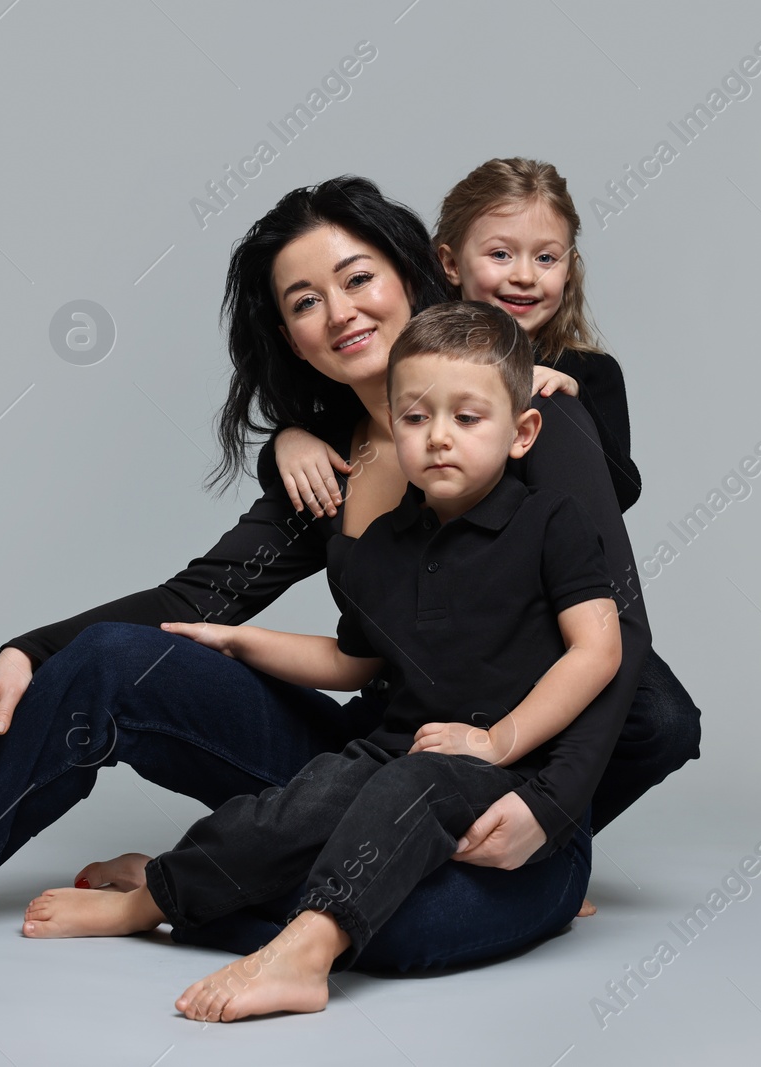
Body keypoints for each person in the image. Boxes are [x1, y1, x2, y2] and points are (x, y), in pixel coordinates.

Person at [0, 174, 684, 972]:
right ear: (283, 333)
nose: (338, 311)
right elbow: (197, 602)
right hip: (372, 758)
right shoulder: (321, 465)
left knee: (411, 933)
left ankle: (176, 888)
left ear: (415, 271)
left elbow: (617, 639)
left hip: (503, 785)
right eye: (303, 300)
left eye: (356, 276)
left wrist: (551, 812)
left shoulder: (530, 415)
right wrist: (30, 649)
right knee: (119, 660)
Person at [20, 301, 623, 1024]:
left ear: (522, 432)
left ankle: (309, 950)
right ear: (390, 425)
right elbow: (349, 661)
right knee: (286, 812)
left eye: (468, 418)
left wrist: (499, 740)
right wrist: (242, 640)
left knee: (412, 788)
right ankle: (153, 897)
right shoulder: (383, 546)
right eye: (416, 417)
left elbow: (600, 650)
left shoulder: (551, 522)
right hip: (397, 748)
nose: (439, 439)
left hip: (505, 763)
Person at [266, 158, 699, 885]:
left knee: (657, 714)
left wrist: (556, 413)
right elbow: (370, 408)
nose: (524, 275)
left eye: (546, 257)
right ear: (449, 264)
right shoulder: (422, 350)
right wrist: (287, 437)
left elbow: (613, 498)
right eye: (500, 255)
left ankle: (537, 837)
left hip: (550, 599)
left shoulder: (574, 384)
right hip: (446, 615)